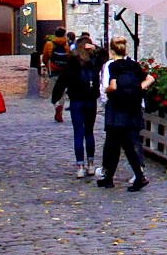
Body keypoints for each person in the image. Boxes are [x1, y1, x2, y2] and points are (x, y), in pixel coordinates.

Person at [96, 40, 153, 191]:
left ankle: (131, 177)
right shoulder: (134, 64)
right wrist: (137, 89)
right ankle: (112, 177)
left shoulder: (113, 65)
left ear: (112, 51)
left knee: (116, 145)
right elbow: (150, 78)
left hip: (117, 108)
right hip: (133, 107)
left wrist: (107, 91)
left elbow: (112, 86)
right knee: (125, 143)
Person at [54, 42, 104, 177]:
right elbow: (104, 54)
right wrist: (95, 47)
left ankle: (80, 166)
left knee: (78, 133)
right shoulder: (94, 62)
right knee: (89, 132)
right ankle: (91, 164)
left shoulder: (73, 63)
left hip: (76, 100)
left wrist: (55, 98)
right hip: (90, 101)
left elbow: (62, 80)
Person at [46, 32, 76, 122]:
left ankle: (56, 106)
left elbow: (46, 57)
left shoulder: (50, 44)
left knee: (53, 91)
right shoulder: (67, 45)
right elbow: (71, 57)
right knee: (62, 91)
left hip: (53, 70)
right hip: (64, 71)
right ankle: (61, 108)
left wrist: (47, 65)